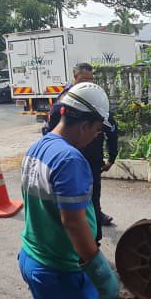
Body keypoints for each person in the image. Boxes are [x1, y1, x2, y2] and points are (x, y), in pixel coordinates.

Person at [19, 81, 150, 299]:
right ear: (85, 124)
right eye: (97, 131)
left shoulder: (38, 149)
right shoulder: (70, 159)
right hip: (63, 268)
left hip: (34, 258)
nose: (97, 137)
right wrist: (97, 268)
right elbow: (73, 222)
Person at [45, 63, 119, 241]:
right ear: (74, 77)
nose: (88, 84)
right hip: (69, 161)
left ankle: (95, 237)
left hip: (92, 160)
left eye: (90, 80)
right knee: (70, 201)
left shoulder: (94, 98)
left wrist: (112, 156)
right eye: (84, 80)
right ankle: (81, 242)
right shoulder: (63, 102)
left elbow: (112, 128)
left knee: (93, 196)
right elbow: (51, 130)